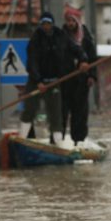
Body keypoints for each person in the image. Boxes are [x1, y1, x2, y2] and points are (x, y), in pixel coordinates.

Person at [20, 11, 91, 145]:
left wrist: (83, 60)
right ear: (41, 25)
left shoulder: (61, 35)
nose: (46, 26)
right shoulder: (35, 39)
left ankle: (57, 144)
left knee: (56, 114)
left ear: (52, 24)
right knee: (29, 109)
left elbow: (76, 49)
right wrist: (38, 81)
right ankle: (22, 139)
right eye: (44, 24)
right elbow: (32, 62)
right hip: (36, 82)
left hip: (55, 81)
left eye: (48, 23)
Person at [60, 8, 98, 147]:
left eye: (72, 20)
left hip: (81, 81)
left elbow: (93, 58)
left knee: (80, 112)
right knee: (62, 112)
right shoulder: (61, 36)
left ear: (77, 21)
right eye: (68, 20)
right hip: (65, 81)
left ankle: (79, 141)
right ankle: (60, 140)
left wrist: (92, 75)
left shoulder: (86, 37)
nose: (70, 23)